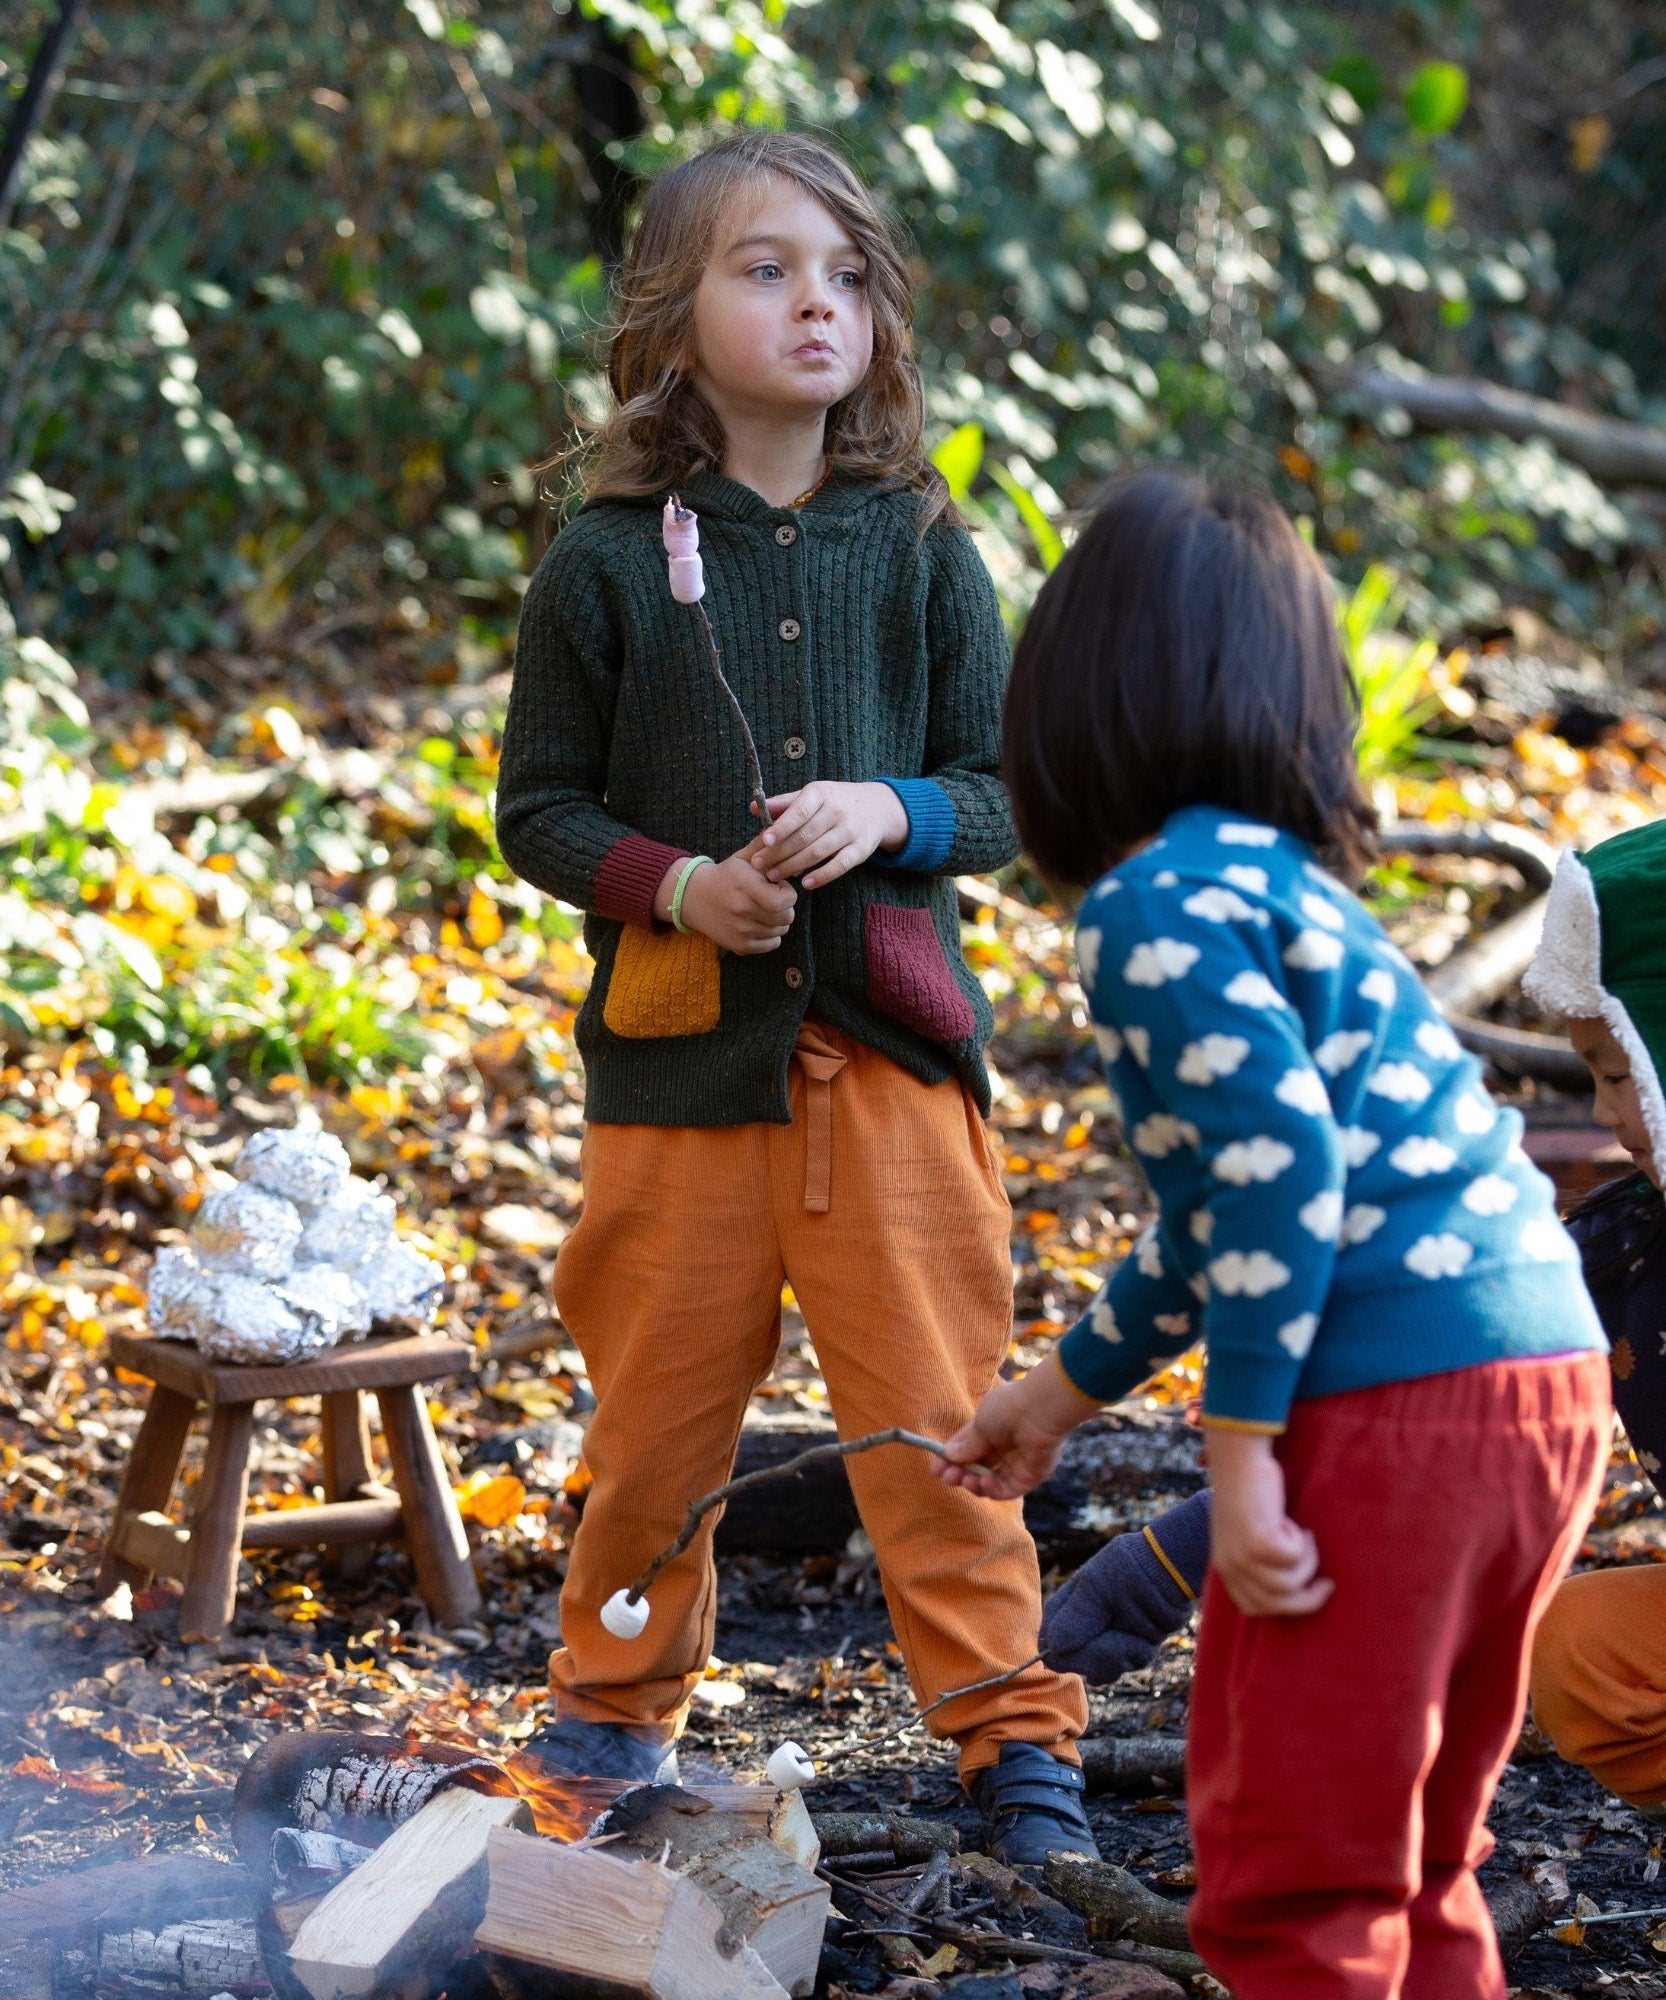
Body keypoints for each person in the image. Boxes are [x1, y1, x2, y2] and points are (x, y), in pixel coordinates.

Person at [493, 130, 1094, 1863]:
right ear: (676, 321)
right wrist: (683, 886)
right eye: (765, 270)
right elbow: (539, 808)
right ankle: (606, 1724)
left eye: (842, 275)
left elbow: (1007, 789)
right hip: (677, 1085)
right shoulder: (602, 562)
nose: (814, 302)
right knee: (655, 1428)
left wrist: (892, 810)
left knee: (938, 1420)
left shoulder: (914, 545)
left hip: (891, 1073)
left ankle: (1012, 1742)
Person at [934, 468, 1611, 1997]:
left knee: (1292, 1880)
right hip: (1538, 1379)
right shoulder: (1286, 895)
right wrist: (1056, 1398)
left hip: (1404, 1414)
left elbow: (1278, 1182)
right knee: (1415, 1861)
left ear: (1072, 702)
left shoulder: (1149, 908)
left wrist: (1238, 1469)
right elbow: (1212, 1221)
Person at [1519, 820, 1666, 1813]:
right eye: (1595, 1079)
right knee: (1578, 1645)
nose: (1610, 1115)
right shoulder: (1627, 1245)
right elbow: (1472, 1390)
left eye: (1622, 1076)